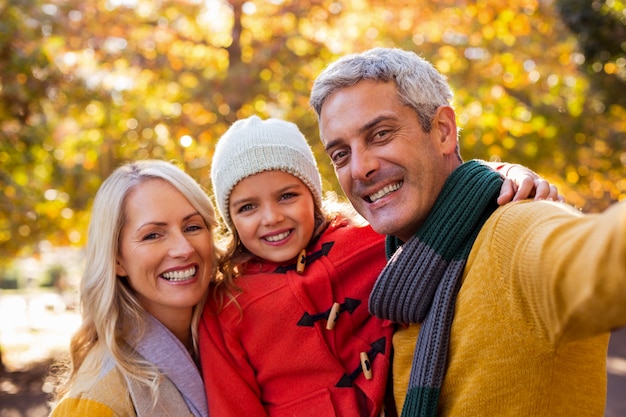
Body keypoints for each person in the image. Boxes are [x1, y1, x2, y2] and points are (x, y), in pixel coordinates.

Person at [309, 47, 626, 417]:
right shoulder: (397, 279)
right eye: (340, 154)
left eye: (380, 134)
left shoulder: (514, 230)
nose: (359, 168)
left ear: (443, 131)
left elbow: (603, 255)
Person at [199, 115, 560, 417]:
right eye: (247, 207)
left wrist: (506, 173)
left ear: (312, 194)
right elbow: (233, 404)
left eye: (287, 196)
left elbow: (451, 199)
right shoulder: (227, 301)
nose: (272, 217)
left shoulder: (369, 241)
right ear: (229, 218)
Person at [49, 159, 220, 417]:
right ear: (117, 260)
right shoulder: (94, 401)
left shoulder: (233, 340)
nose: (185, 249)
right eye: (153, 235)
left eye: (193, 227)